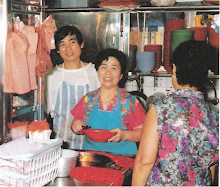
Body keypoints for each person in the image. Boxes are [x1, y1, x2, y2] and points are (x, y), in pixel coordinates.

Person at [132, 40, 219, 186]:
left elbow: (144, 161)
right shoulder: (213, 115)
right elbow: (212, 167)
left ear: (174, 69)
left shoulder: (160, 109)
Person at [71, 48, 146, 157]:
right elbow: (74, 124)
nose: (108, 73)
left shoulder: (130, 102)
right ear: (98, 71)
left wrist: (125, 135)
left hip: (123, 159)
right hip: (91, 158)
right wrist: (75, 126)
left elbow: (143, 132)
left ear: (121, 75)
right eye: (104, 67)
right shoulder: (89, 99)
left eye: (114, 68)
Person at [45, 25, 100, 150]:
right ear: (57, 49)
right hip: (61, 143)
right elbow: (47, 111)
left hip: (92, 143)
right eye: (62, 44)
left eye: (72, 42)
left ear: (81, 44)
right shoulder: (51, 75)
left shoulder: (94, 72)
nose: (68, 48)